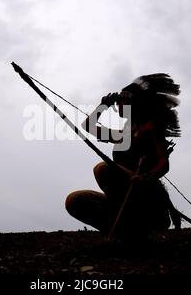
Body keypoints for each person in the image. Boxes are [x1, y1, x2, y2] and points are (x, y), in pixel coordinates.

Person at [65, 73, 182, 239]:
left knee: (103, 170)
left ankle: (144, 228)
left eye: (120, 102)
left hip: (146, 197)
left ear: (131, 103)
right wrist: (103, 106)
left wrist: (146, 178)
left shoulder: (151, 127)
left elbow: (164, 163)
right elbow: (89, 126)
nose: (117, 106)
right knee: (75, 201)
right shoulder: (123, 135)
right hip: (123, 198)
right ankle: (126, 233)